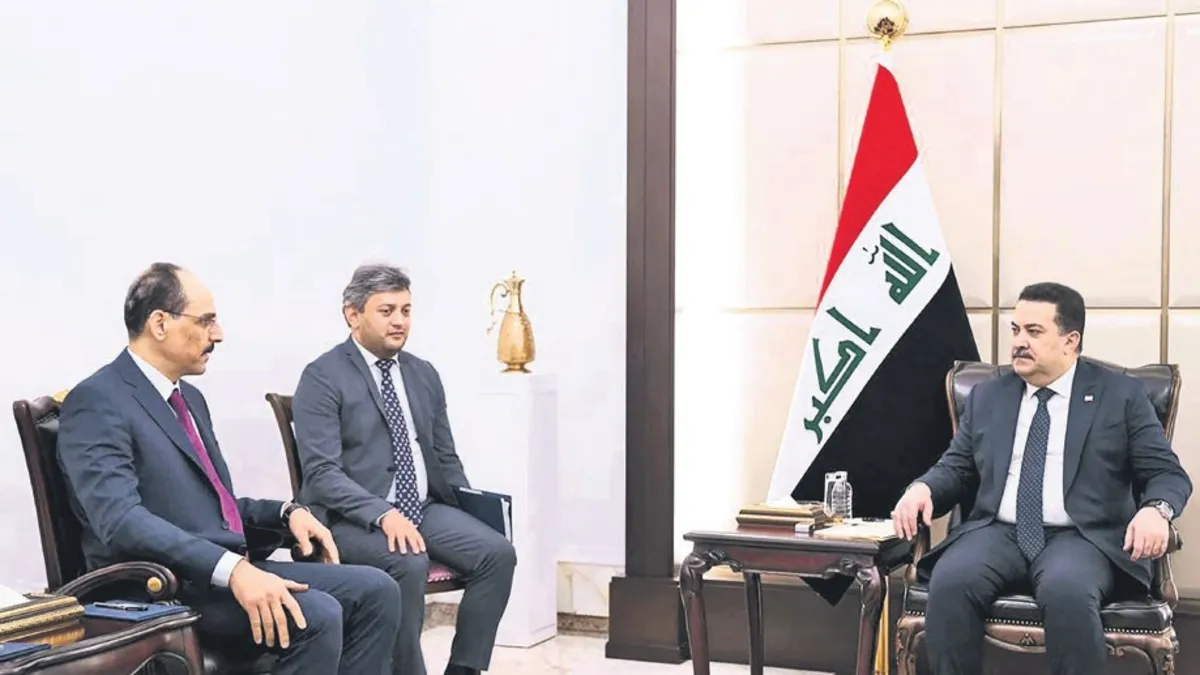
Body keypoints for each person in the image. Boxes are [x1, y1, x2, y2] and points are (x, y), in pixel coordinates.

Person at [56, 263, 402, 675]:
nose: (217, 334)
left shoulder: (190, 400)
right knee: (316, 614)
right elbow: (120, 520)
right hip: (156, 588)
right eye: (205, 321)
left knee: (377, 590)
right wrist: (233, 570)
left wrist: (286, 513)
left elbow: (210, 505)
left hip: (210, 573)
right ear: (160, 324)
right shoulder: (97, 401)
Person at [890, 281, 1193, 675]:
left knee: (1067, 590)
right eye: (1016, 330)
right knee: (950, 581)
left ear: (1070, 341)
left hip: (1082, 537)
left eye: (1034, 331)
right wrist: (923, 488)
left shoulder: (1120, 396)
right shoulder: (988, 396)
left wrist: (1156, 510)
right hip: (999, 532)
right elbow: (957, 467)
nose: (1019, 342)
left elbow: (1167, 473)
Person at [291, 264, 517, 675]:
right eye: (387, 311)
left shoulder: (423, 373)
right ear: (353, 315)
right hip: (349, 519)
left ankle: (463, 670)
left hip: (423, 509)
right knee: (408, 562)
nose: (399, 321)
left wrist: (472, 510)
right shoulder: (322, 377)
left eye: (406, 310)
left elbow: (445, 457)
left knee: (497, 553)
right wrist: (383, 513)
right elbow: (322, 474)